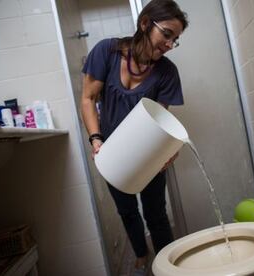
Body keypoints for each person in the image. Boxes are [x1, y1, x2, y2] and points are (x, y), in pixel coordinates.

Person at [80, 0, 188, 274]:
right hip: (110, 151)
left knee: (156, 214)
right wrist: (95, 138)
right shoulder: (107, 51)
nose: (170, 44)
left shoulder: (167, 73)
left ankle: (167, 266)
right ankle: (141, 254)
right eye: (166, 34)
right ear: (144, 24)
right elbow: (88, 98)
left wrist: (166, 150)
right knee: (127, 210)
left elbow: (160, 121)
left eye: (175, 40)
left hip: (147, 152)